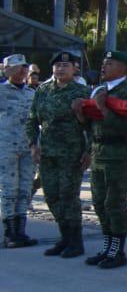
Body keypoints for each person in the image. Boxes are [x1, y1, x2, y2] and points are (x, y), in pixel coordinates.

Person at [72, 50, 127, 267]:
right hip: (99, 152)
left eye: (109, 63)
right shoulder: (100, 90)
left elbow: (126, 127)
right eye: (103, 63)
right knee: (99, 203)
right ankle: (107, 245)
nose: (103, 67)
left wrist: (103, 108)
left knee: (114, 203)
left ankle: (118, 251)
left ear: (123, 68)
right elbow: (91, 127)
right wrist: (80, 115)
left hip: (118, 154)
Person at [26, 51, 90, 257]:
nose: (61, 69)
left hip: (71, 154)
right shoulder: (43, 90)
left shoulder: (82, 92)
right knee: (52, 197)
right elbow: (31, 119)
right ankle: (64, 237)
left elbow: (93, 125)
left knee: (68, 197)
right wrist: (33, 146)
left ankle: (76, 241)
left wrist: (89, 151)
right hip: (47, 153)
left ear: (74, 69)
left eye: (66, 66)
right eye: (57, 66)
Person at [2, 54, 38, 247]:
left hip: (27, 148)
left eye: (24, 68)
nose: (22, 71)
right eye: (16, 68)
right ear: (6, 70)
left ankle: (21, 231)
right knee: (9, 189)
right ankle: (9, 233)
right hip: (6, 148)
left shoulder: (32, 94)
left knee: (25, 189)